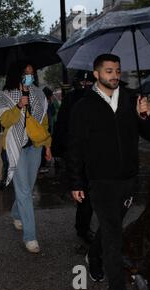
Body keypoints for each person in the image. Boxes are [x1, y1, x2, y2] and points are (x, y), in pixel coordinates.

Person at [68, 54, 150, 290]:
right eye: (109, 71)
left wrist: (146, 115)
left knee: (112, 228)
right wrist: (76, 181)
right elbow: (75, 147)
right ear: (96, 74)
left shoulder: (131, 100)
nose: (115, 75)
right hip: (100, 181)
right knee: (113, 236)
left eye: (117, 70)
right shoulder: (83, 106)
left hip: (128, 179)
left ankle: (93, 256)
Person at [0, 62, 52, 254]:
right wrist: (19, 105)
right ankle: (30, 236)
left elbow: (44, 121)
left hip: (35, 147)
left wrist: (47, 145)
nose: (29, 76)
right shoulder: (6, 95)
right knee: (24, 192)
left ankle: (15, 212)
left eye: (31, 73)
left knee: (26, 188)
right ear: (17, 75)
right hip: (15, 147)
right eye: (25, 73)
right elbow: (4, 120)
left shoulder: (39, 94)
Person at [52, 70, 96, 245]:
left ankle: (87, 227)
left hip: (98, 154)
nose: (85, 86)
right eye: (83, 83)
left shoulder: (101, 99)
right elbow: (62, 124)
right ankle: (83, 228)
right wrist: (59, 149)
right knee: (84, 193)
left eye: (89, 83)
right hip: (78, 153)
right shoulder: (71, 99)